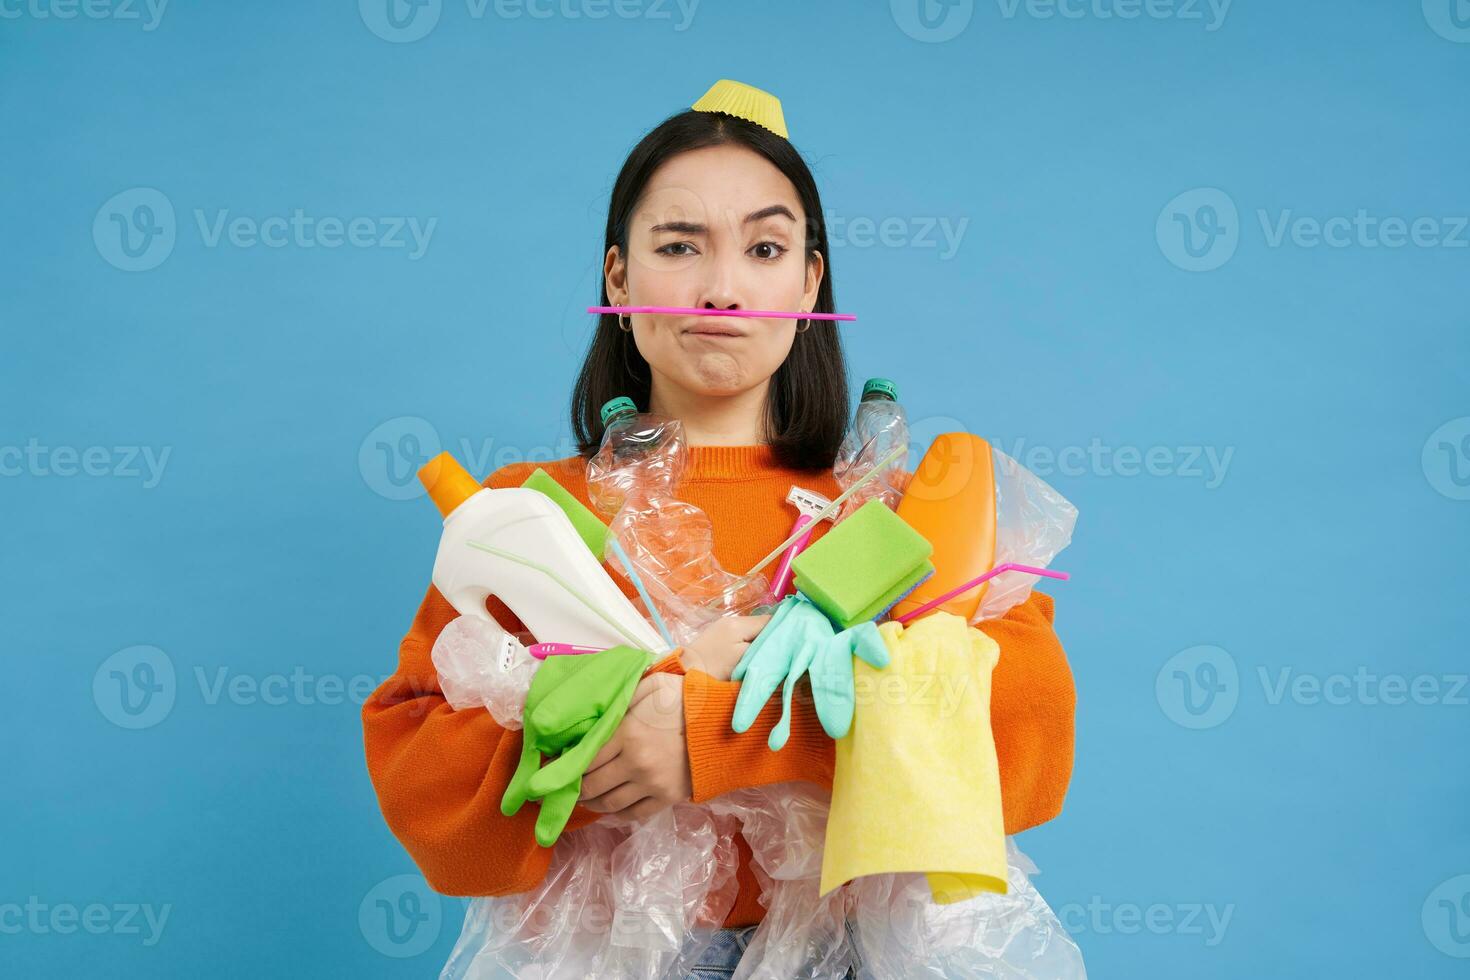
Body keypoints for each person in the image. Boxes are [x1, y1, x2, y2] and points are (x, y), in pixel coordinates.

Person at [361, 79, 1076, 978]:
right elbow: (418, 776)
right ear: (617, 275)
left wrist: (713, 736)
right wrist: (611, 744)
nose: (723, 288)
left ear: (810, 282)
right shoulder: (532, 517)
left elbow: (1025, 742)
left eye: (766, 247)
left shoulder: (896, 514)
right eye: (677, 246)